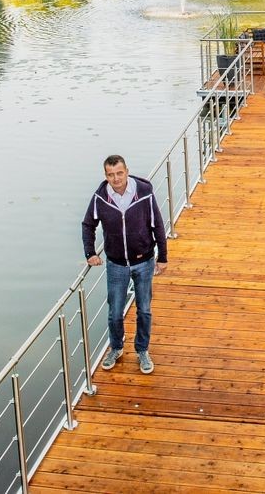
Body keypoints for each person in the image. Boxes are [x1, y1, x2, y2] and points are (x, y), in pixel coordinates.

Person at [81, 154, 168, 374]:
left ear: (127, 171)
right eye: (111, 175)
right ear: (106, 176)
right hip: (116, 264)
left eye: (119, 173)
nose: (116, 178)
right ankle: (117, 348)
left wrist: (163, 256)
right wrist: (90, 253)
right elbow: (87, 225)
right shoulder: (100, 198)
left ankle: (142, 351)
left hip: (144, 260)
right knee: (115, 312)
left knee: (144, 310)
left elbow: (157, 224)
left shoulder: (144, 192)